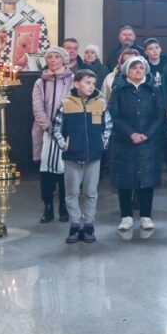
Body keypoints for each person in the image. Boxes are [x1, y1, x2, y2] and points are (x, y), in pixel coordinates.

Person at [107, 56, 165, 233]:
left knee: (146, 180)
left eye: (141, 68)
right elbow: (114, 115)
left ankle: (146, 215)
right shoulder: (119, 90)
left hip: (148, 141)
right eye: (134, 68)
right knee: (125, 180)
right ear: (127, 71)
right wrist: (130, 133)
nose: (138, 71)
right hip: (124, 141)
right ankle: (126, 216)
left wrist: (146, 134)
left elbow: (159, 115)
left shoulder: (153, 89)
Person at [53, 68, 110, 244]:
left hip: (93, 154)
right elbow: (56, 128)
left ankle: (88, 224)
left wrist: (103, 143)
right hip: (72, 155)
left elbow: (108, 126)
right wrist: (64, 145)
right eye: (87, 82)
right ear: (76, 84)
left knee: (90, 192)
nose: (91, 86)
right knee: (71, 192)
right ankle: (74, 224)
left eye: (93, 83)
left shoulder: (101, 103)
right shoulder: (66, 104)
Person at [31, 47, 74, 223]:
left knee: (65, 170)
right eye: (49, 57)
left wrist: (61, 126)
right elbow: (37, 106)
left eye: (57, 57)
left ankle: (64, 205)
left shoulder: (72, 80)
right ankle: (48, 206)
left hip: (66, 130)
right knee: (46, 170)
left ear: (63, 60)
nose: (53, 60)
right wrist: (47, 125)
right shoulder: (41, 82)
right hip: (45, 130)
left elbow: (72, 102)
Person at [142, 38, 167, 185]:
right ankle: (154, 177)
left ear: (160, 49)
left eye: (156, 48)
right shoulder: (144, 67)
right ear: (146, 52)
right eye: (151, 48)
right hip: (151, 111)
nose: (154, 51)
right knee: (152, 145)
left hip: (166, 110)